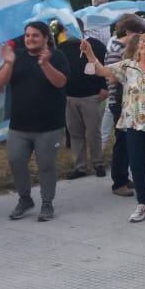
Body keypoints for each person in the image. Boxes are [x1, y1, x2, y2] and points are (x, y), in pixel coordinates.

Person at [83, 33, 145, 223]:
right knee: (136, 165)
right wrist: (89, 53)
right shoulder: (128, 65)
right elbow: (101, 71)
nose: (144, 44)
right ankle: (143, 204)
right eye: (142, 42)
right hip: (133, 122)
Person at [0, 22, 70, 222]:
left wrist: (45, 64)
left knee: (46, 165)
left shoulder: (57, 56)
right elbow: (0, 83)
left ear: (46, 37)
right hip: (19, 125)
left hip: (49, 125)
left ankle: (47, 203)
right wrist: (9, 63)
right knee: (16, 161)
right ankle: (25, 199)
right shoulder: (17, 56)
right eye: (27, 35)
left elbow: (60, 82)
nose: (30, 39)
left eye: (35, 35)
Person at [55, 23, 108, 179]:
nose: (67, 32)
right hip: (70, 96)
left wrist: (103, 86)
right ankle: (80, 166)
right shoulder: (62, 48)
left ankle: (98, 163)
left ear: (82, 29)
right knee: (75, 133)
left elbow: (104, 65)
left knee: (93, 132)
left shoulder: (95, 45)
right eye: (65, 29)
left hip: (90, 96)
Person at [103, 18, 145, 196]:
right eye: (138, 36)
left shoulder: (121, 50)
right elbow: (113, 76)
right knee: (122, 143)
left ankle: (124, 177)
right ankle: (119, 182)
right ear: (128, 33)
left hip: (127, 101)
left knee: (128, 143)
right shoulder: (116, 51)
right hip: (119, 101)